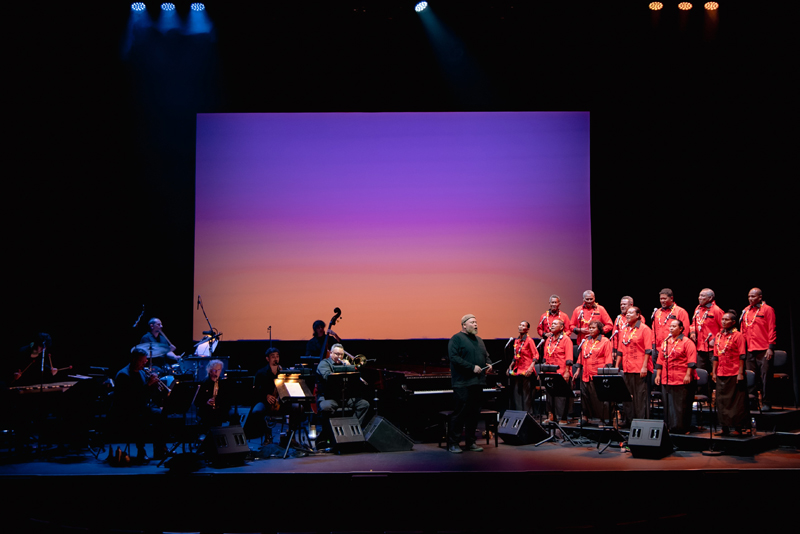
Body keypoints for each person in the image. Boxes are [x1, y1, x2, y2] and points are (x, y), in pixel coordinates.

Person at [447, 314, 492, 453]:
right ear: (464, 325)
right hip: (462, 383)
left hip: (478, 383)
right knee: (460, 414)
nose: (475, 324)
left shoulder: (479, 340)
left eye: (476, 322)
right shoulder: (456, 338)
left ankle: (470, 442)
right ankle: (453, 443)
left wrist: (489, 364)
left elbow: (486, 356)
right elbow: (454, 358)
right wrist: (471, 367)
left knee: (474, 414)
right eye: (472, 322)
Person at [113, 348, 166, 461]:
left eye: (145, 361)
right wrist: (148, 385)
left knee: (160, 414)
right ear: (134, 360)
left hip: (140, 406)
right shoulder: (123, 375)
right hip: (126, 409)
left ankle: (160, 449)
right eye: (142, 361)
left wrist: (153, 386)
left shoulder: (141, 372)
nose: (144, 363)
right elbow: (131, 398)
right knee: (140, 418)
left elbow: (146, 395)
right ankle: (141, 451)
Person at [654, 319, 698, 434]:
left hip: (682, 378)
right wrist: (658, 375)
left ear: (681, 328)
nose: (671, 328)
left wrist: (688, 375)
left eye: (674, 326)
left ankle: (683, 428)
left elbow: (691, 361)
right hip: (667, 378)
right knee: (668, 405)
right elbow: (660, 360)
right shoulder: (666, 342)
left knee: (681, 405)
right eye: (670, 326)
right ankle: (670, 427)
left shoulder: (687, 342)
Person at [614, 306, 654, 424]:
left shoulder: (644, 329)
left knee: (640, 397)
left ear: (638, 316)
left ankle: (641, 422)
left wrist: (645, 367)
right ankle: (628, 420)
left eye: (631, 313)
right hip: (627, 367)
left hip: (640, 367)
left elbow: (648, 350)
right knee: (627, 396)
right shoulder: (624, 329)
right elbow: (620, 350)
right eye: (627, 313)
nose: (628, 314)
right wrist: (617, 366)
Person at [315, 343, 370, 426]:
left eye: (341, 354)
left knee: (364, 404)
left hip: (344, 397)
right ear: (331, 353)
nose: (339, 357)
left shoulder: (345, 364)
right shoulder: (324, 364)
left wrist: (350, 368)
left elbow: (354, 380)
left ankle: (353, 427)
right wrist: (345, 369)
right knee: (326, 407)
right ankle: (332, 430)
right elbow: (328, 377)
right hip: (328, 397)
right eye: (337, 354)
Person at [740, 288, 777, 410]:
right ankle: (752, 402)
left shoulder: (767, 309)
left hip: (764, 349)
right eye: (749, 296)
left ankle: (766, 402)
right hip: (750, 349)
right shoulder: (745, 311)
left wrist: (770, 347)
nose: (750, 299)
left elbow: (772, 328)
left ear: (760, 297)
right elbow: (743, 331)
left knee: (766, 377)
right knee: (751, 376)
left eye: (753, 296)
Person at [712, 311, 747, 436]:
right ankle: (724, 427)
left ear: (733, 322)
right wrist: (714, 372)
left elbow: (742, 355)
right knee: (721, 401)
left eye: (726, 320)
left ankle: (738, 428)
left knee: (736, 401)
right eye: (722, 320)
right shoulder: (719, 336)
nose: (723, 322)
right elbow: (716, 356)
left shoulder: (738, 336)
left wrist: (740, 373)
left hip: (734, 372)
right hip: (721, 372)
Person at [575, 320, 614, 425]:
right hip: (586, 373)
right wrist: (578, 369)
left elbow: (608, 357)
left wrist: (607, 372)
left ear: (599, 330)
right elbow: (581, 356)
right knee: (585, 396)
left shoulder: (605, 341)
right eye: (590, 328)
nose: (591, 330)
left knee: (599, 398)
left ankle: (602, 419)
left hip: (598, 373)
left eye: (593, 328)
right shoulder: (586, 341)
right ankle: (585, 417)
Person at [244, 347, 283, 440]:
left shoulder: (283, 371)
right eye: (273, 356)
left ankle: (290, 436)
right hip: (265, 401)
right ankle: (266, 434)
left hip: (281, 401)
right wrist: (266, 396)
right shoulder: (261, 373)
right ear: (267, 359)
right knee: (257, 411)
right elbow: (256, 391)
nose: (276, 358)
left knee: (297, 408)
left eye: (277, 356)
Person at [542, 319, 574, 422]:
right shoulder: (549, 339)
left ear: (561, 327)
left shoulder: (566, 339)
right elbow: (546, 356)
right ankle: (551, 416)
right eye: (552, 324)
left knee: (561, 397)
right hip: (549, 371)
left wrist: (567, 371)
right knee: (550, 396)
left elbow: (569, 357)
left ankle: (562, 418)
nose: (552, 325)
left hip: (561, 372)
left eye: (555, 324)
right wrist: (543, 370)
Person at [651, 289, 690, 368]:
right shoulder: (657, 312)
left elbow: (685, 331)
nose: (662, 301)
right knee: (657, 373)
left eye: (664, 299)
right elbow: (653, 330)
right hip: (658, 349)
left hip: (673, 348)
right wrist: (653, 345)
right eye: (661, 299)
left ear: (671, 298)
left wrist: (678, 346)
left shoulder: (680, 311)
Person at [690, 288, 724, 373]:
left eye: (703, 296)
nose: (699, 298)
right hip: (700, 347)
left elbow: (724, 328)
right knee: (700, 372)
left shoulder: (717, 310)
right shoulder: (697, 309)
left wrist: (715, 340)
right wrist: (693, 332)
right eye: (699, 295)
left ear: (710, 298)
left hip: (713, 348)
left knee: (715, 372)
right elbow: (694, 324)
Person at [508, 321, 537, 415]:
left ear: (527, 329)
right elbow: (516, 355)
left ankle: (528, 415)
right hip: (517, 370)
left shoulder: (529, 340)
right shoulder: (516, 341)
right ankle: (518, 415)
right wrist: (511, 365)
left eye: (523, 325)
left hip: (526, 370)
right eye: (520, 325)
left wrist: (531, 368)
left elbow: (536, 355)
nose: (520, 327)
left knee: (526, 396)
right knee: (517, 394)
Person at [195, 359, 234, 428]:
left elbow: (228, 400)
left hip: (221, 410)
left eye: (219, 370)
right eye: (214, 370)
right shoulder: (204, 383)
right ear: (210, 371)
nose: (216, 372)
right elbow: (197, 402)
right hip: (207, 411)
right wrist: (206, 402)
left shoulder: (223, 383)